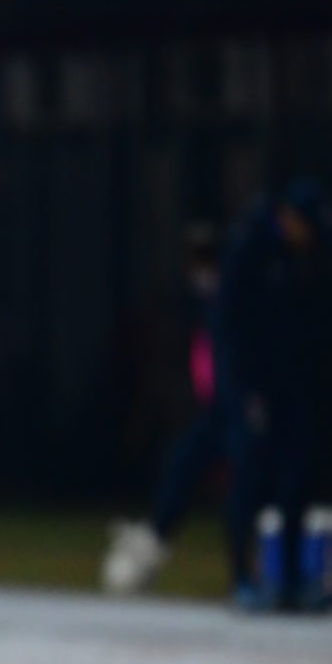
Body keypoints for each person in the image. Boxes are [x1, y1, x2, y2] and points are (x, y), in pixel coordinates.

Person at [214, 179, 332, 610]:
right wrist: (242, 390)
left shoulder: (300, 257)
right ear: (288, 216)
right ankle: (242, 578)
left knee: (296, 477)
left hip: (288, 384)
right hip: (250, 387)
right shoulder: (249, 247)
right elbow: (228, 325)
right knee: (250, 477)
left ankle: (291, 579)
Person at [102, 224, 224, 593]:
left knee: (249, 486)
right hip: (215, 408)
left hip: (235, 406)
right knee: (181, 466)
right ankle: (154, 538)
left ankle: (262, 573)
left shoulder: (229, 295)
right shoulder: (200, 299)